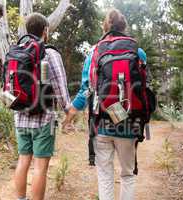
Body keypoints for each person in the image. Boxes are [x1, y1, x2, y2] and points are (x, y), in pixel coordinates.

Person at [63, 8, 149, 200]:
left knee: (104, 175)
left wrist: (70, 114)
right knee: (127, 175)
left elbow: (86, 89)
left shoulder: (95, 52)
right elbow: (144, 88)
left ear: (105, 26)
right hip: (130, 121)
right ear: (123, 27)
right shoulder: (138, 52)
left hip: (101, 123)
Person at [13, 13, 71, 200]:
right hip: (43, 119)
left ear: (28, 30)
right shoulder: (50, 53)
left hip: (20, 116)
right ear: (45, 31)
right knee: (40, 167)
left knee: (22, 161)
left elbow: (7, 87)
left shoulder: (16, 51)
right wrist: (68, 111)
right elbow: (60, 87)